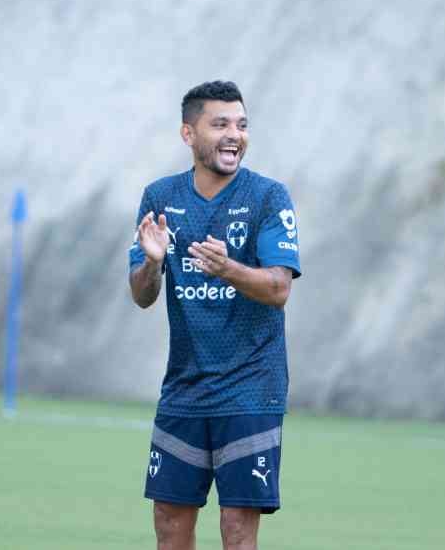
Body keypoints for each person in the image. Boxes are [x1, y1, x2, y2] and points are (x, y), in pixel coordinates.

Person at [128, 80, 301, 550]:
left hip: (251, 387)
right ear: (188, 134)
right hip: (184, 387)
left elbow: (279, 287)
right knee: (169, 521)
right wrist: (154, 261)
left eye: (242, 125)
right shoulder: (159, 197)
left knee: (237, 527)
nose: (234, 135)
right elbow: (142, 295)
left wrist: (227, 268)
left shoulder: (269, 196)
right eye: (220, 123)